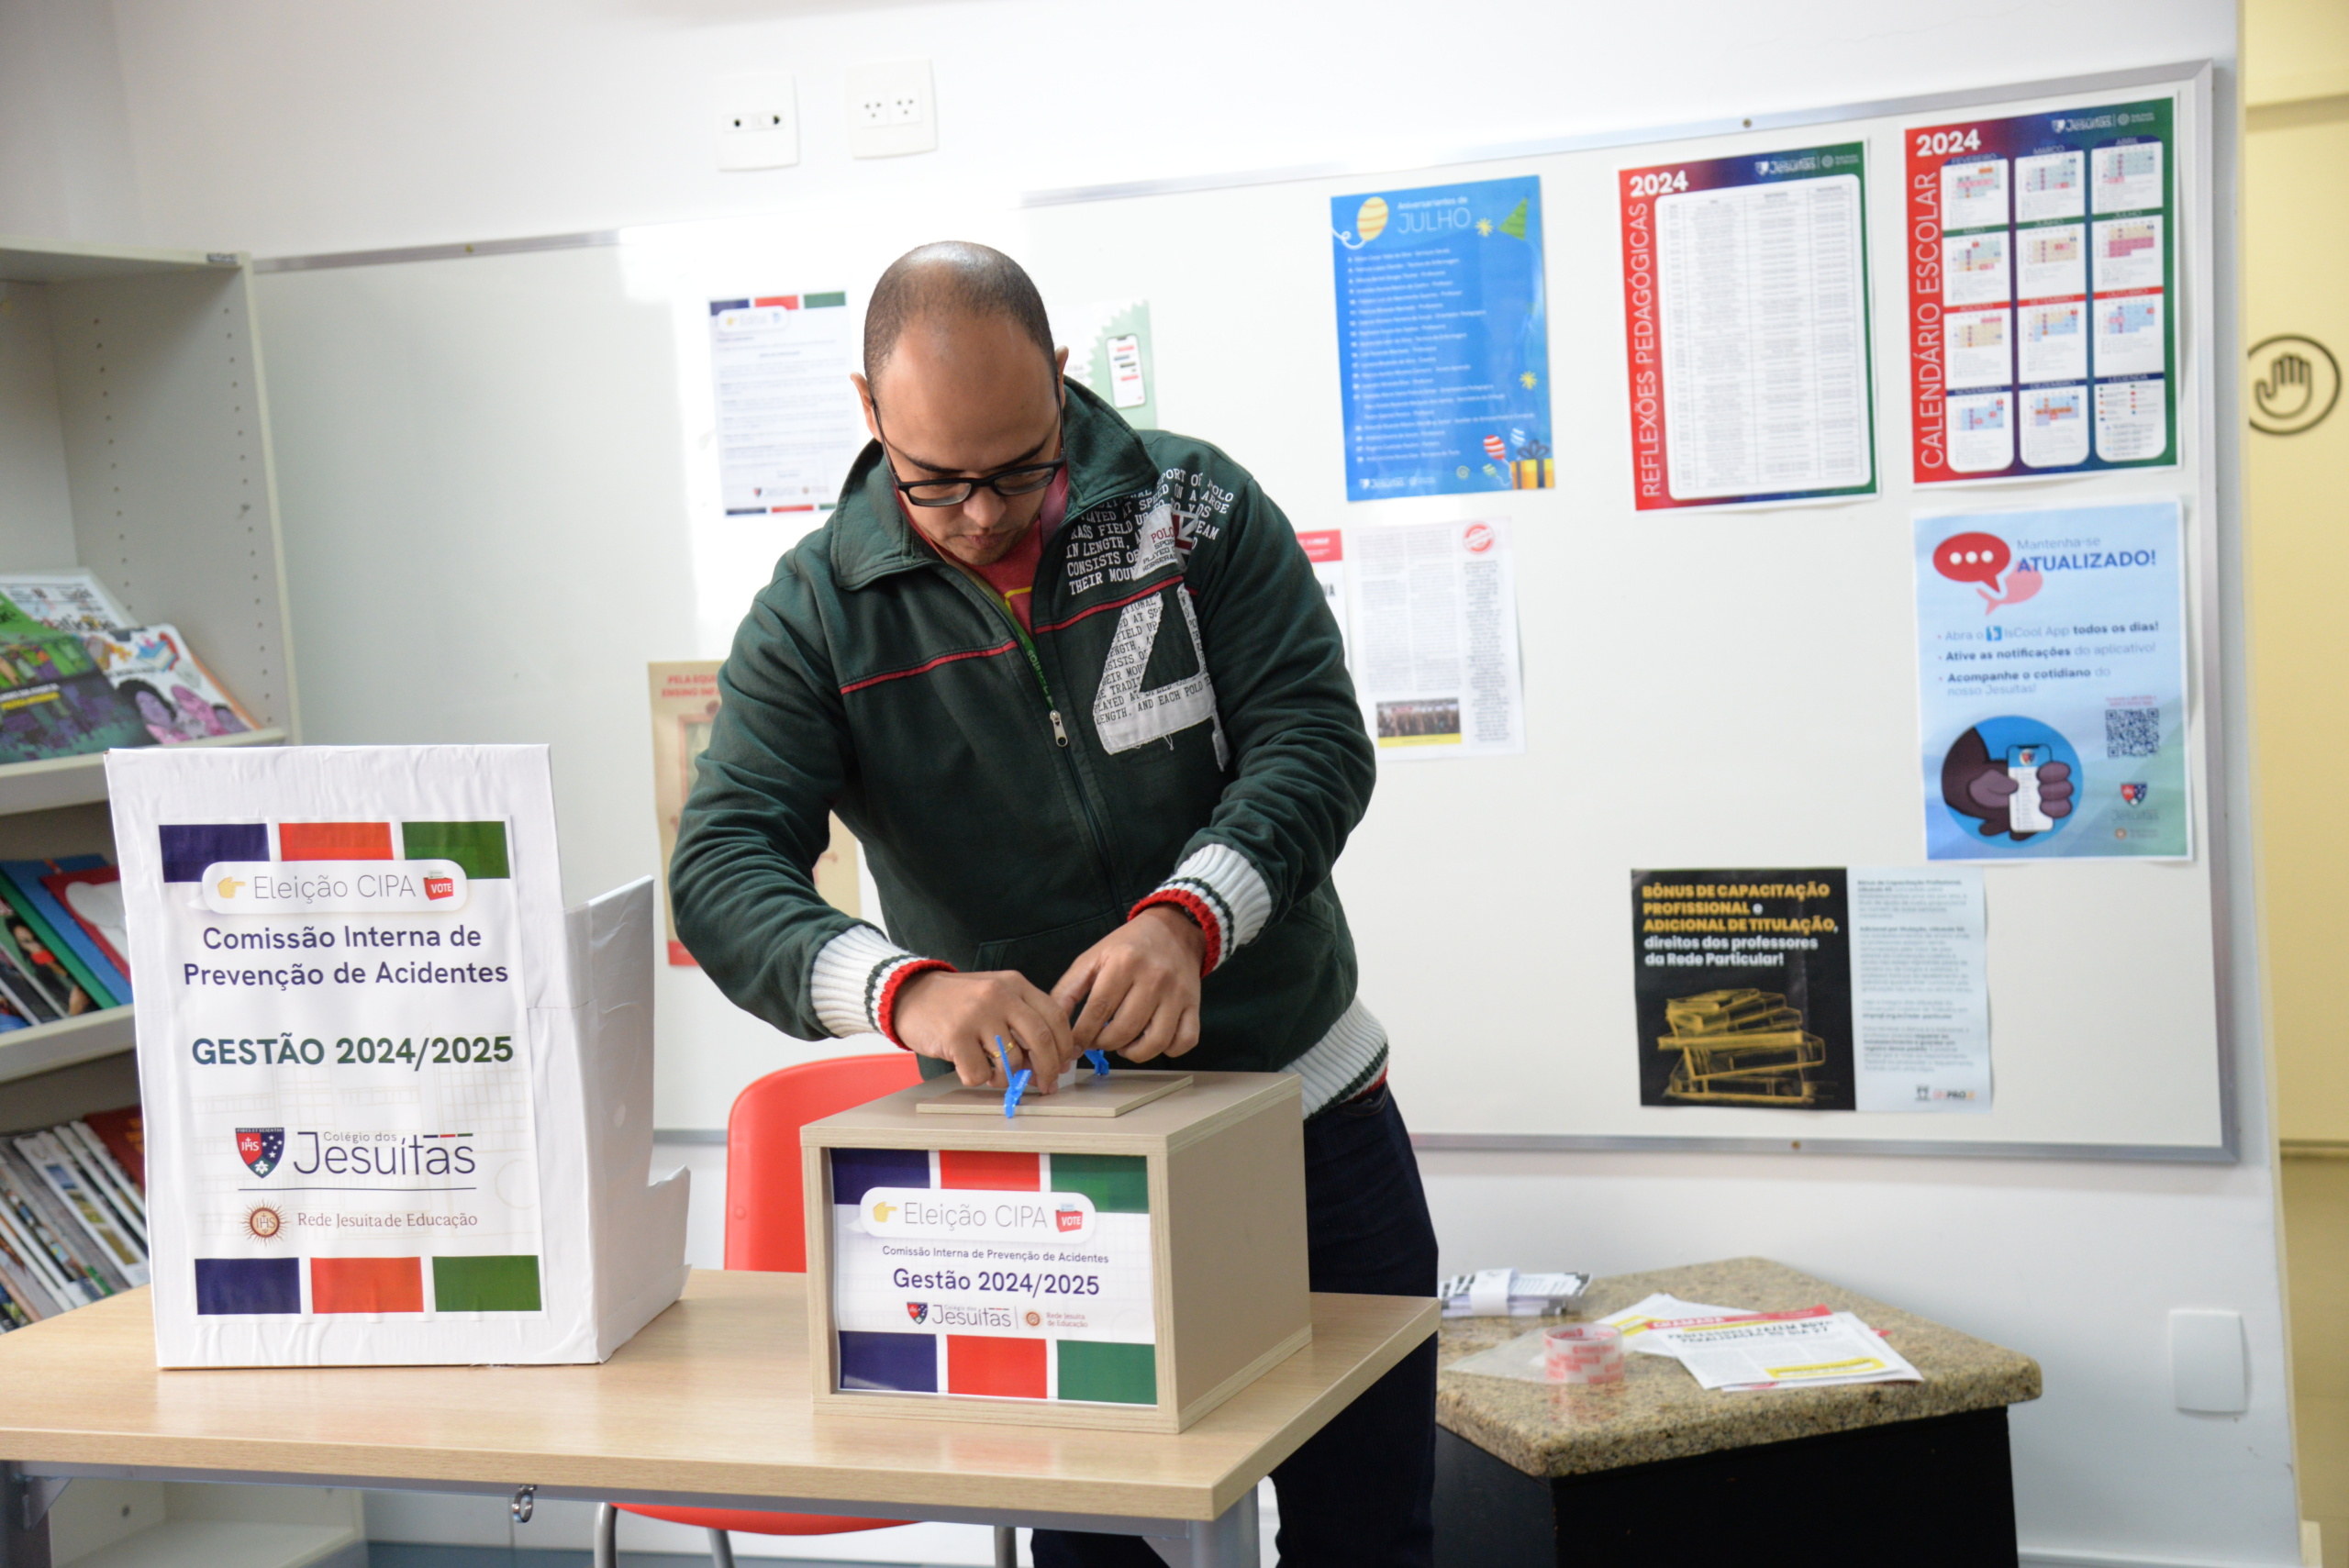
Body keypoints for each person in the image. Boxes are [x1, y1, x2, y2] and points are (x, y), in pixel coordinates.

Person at [671, 241, 1436, 1567]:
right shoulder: (818, 615)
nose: (981, 515)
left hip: (1310, 1129)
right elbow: (722, 867)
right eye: (936, 480)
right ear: (868, 410)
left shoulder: (1192, 510)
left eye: (1019, 468)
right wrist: (904, 990)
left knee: (1369, 1541)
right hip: (1051, 1183)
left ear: (1063, 378)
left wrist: (1190, 916)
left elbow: (1313, 739)